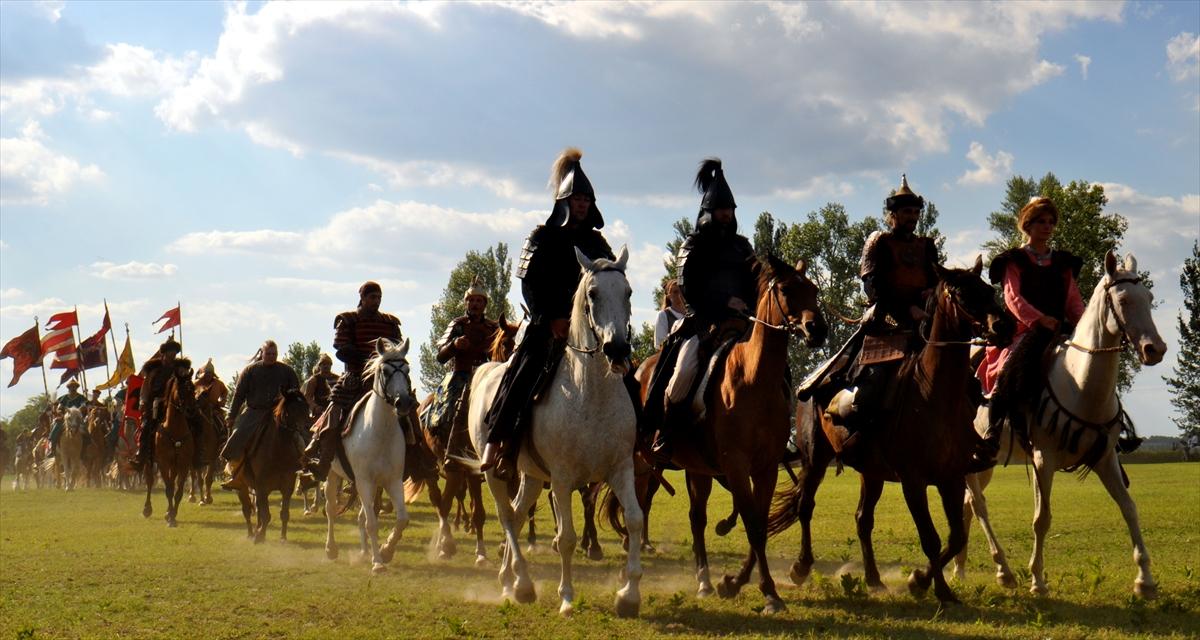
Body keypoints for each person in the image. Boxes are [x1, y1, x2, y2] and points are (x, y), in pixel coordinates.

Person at [479, 147, 617, 475]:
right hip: (545, 325)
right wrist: (550, 318)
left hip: (591, 329)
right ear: (564, 201)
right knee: (524, 371)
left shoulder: (598, 242)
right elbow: (527, 285)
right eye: (577, 198)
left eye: (587, 199)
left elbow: (611, 281)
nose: (582, 204)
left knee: (622, 372)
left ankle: (636, 442)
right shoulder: (541, 237)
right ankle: (499, 442)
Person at [642, 158, 757, 459]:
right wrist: (723, 303)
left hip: (742, 326)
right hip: (701, 325)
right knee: (684, 374)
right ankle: (667, 433)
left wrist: (750, 305)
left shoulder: (743, 247)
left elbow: (755, 283)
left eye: (729, 209)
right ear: (708, 212)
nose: (726, 214)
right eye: (721, 209)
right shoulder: (692, 245)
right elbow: (688, 289)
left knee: (772, 367)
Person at [973, 197, 1084, 466]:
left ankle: (1108, 432)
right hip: (1026, 330)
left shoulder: (1063, 262)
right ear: (1028, 225)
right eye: (1041, 222)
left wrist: (1083, 327)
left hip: (1060, 330)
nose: (1047, 227)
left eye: (1050, 222)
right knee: (1009, 372)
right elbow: (1013, 298)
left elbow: (1073, 301)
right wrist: (1038, 319)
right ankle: (993, 430)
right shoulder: (1014, 260)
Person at [299, 281, 404, 487]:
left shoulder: (390, 323)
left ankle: (420, 460)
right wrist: (369, 357)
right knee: (334, 412)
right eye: (372, 297)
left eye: (379, 298)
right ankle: (323, 460)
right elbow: (341, 348)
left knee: (408, 408)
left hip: (384, 379)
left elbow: (397, 347)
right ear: (363, 298)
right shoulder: (348, 320)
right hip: (354, 378)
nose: (376, 301)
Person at [427, 278, 498, 452]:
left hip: (485, 377)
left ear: (484, 304)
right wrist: (454, 345)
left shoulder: (492, 327)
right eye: (471, 300)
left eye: (479, 300)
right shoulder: (458, 324)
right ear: (466, 302)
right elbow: (441, 356)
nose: (475, 304)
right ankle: (445, 446)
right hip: (459, 376)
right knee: (446, 411)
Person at [221, 340, 300, 485]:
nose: (271, 356)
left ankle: (305, 471)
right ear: (262, 353)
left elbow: (295, 392)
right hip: (254, 412)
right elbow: (238, 395)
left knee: (300, 436)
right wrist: (231, 416)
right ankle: (235, 475)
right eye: (268, 353)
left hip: (279, 413)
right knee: (237, 436)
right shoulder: (250, 371)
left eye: (274, 354)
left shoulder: (287, 371)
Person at [131, 338, 182, 472]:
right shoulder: (153, 371)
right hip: (155, 404)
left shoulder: (180, 370)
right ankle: (140, 457)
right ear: (163, 354)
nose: (173, 356)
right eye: (170, 353)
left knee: (194, 421)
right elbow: (145, 389)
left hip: (176, 404)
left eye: (175, 353)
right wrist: (142, 402)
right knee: (146, 426)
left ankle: (197, 454)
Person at [301, 354, 339, 420]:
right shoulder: (314, 379)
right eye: (323, 364)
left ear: (331, 365)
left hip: (336, 411)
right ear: (319, 366)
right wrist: (315, 407)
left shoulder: (338, 378)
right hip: (320, 413)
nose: (326, 366)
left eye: (328, 364)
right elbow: (307, 397)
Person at [654, 280, 686, 350]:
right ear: (668, 296)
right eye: (675, 292)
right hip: (673, 355)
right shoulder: (663, 315)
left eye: (681, 290)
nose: (679, 294)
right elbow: (660, 343)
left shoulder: (691, 313)